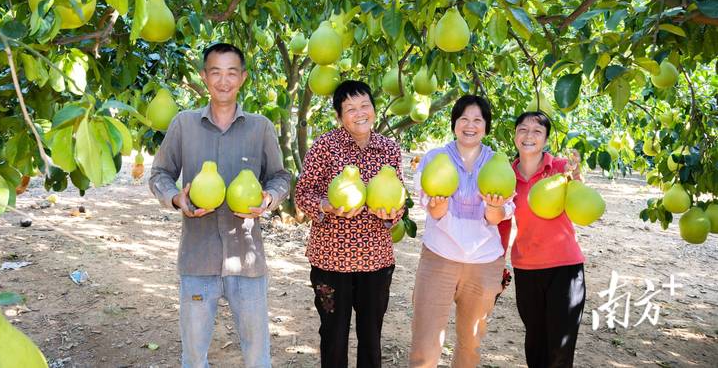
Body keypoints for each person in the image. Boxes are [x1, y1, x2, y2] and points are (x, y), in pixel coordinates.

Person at [149, 42, 291, 368]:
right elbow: (159, 174)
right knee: (194, 356)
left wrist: (269, 198)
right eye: (216, 73)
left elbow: (280, 176)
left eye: (231, 73)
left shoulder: (261, 128)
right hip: (197, 260)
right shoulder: (183, 125)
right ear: (204, 77)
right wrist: (175, 197)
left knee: (257, 356)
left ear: (242, 77)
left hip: (247, 260)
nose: (223, 81)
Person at [294, 80, 404, 368]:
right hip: (331, 261)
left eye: (364, 105)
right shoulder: (325, 147)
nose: (359, 113)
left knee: (371, 336)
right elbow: (303, 193)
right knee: (334, 335)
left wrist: (392, 214)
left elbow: (399, 197)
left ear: (374, 109)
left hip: (376, 260)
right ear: (339, 116)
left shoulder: (388, 150)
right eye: (350, 108)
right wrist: (325, 206)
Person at [409, 94, 514, 368]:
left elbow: (497, 217)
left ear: (486, 126)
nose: (470, 125)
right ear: (454, 123)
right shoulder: (434, 158)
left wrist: (494, 207)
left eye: (477, 120)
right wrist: (438, 206)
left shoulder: (497, 164)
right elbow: (432, 210)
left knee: (471, 344)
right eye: (464, 118)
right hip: (439, 258)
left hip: (484, 262)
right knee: (426, 342)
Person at [502, 111, 585, 368]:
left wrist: (576, 177)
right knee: (535, 344)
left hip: (565, 268)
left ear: (546, 138)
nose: (529, 135)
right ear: (514, 135)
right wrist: (497, 265)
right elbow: (503, 225)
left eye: (537, 131)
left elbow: (580, 203)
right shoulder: (506, 175)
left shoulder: (560, 168)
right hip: (526, 268)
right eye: (523, 129)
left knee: (560, 347)